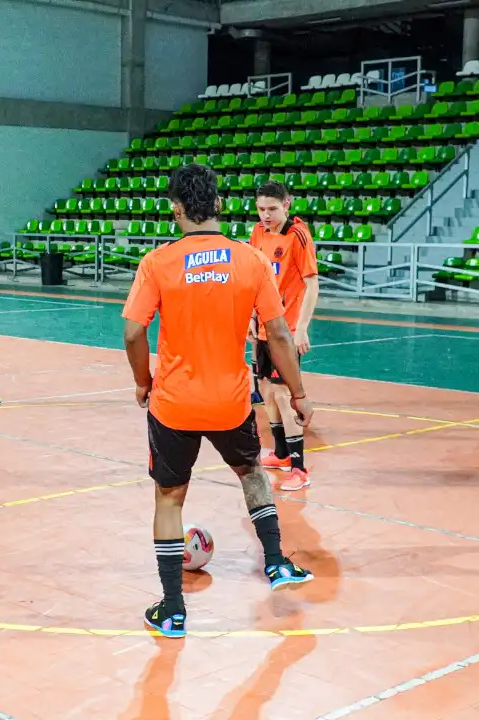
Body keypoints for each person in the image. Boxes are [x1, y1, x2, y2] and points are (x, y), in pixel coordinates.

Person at [122, 164, 314, 639]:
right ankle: (276, 563)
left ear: (176, 208)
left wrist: (143, 381)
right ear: (221, 205)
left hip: (175, 403)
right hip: (230, 401)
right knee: (252, 473)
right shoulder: (250, 259)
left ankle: (172, 609)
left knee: (170, 496)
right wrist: (299, 394)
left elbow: (132, 331)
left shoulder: (158, 262)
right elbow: (280, 334)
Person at [249, 181, 319, 491]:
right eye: (261, 209)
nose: (266, 215)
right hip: (263, 325)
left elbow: (312, 284)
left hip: (285, 330)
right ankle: (279, 453)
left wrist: (301, 327)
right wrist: (251, 315)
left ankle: (299, 467)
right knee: (265, 390)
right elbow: (254, 278)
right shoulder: (257, 233)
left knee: (281, 393)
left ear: (287, 205)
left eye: (272, 209)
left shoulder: (297, 235)